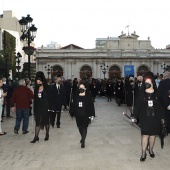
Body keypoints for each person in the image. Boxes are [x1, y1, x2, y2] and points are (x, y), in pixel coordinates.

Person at [133, 72, 166, 162]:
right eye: (145, 82)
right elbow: (137, 106)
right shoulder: (141, 94)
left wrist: (163, 119)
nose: (147, 83)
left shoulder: (157, 94)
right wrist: (134, 116)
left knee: (152, 135)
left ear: (152, 83)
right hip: (144, 117)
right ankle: (143, 153)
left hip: (155, 118)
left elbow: (160, 107)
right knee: (145, 135)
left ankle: (151, 150)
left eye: (148, 82)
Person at [73, 80, 95, 148]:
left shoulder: (88, 96)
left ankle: (83, 141)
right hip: (78, 114)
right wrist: (72, 112)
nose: (81, 89)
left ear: (85, 88)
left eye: (82, 87)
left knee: (84, 127)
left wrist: (92, 115)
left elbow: (91, 106)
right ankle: (82, 137)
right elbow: (73, 104)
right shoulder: (76, 95)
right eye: (80, 87)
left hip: (86, 114)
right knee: (79, 127)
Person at [30, 72, 51, 143]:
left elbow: (49, 98)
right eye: (37, 82)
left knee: (46, 122)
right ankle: (36, 137)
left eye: (39, 82)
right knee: (38, 122)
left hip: (45, 107)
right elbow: (35, 99)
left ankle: (47, 134)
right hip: (38, 107)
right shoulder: (36, 89)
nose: (38, 83)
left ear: (42, 82)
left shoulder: (47, 88)